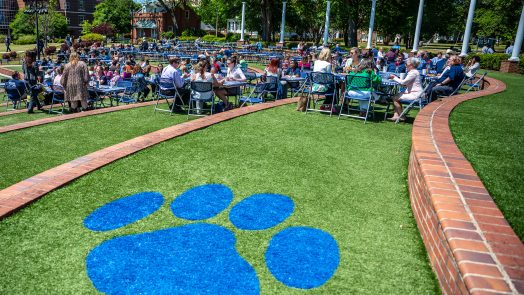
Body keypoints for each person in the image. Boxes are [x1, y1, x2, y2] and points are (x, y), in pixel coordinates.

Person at [388, 57, 423, 121]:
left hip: (416, 94)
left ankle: (402, 116)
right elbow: (405, 84)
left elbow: (403, 83)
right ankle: (396, 115)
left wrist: (394, 77)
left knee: (395, 98)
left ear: (411, 65)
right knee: (395, 96)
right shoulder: (413, 72)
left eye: (406, 64)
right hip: (414, 93)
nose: (405, 65)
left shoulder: (413, 73)